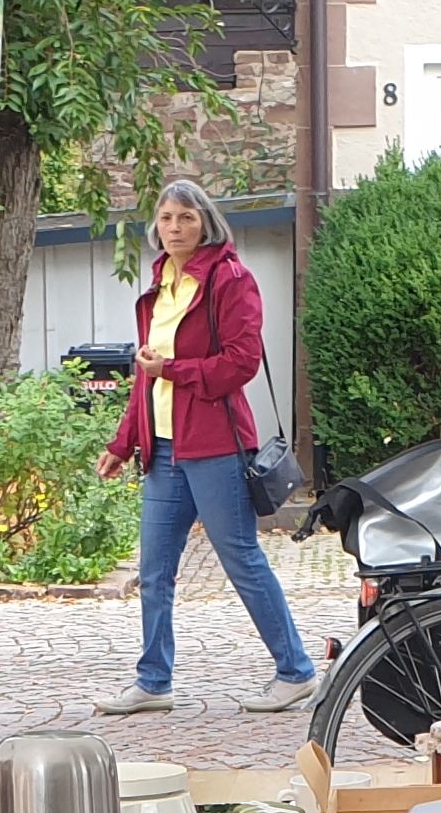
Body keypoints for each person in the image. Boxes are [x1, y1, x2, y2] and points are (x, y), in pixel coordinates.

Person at [95, 178, 317, 719]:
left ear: (206, 222)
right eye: (167, 218)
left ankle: (296, 672)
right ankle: (153, 683)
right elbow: (145, 380)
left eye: (186, 218)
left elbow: (241, 363)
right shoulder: (159, 286)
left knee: (240, 559)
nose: (175, 228)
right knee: (153, 570)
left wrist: (171, 368)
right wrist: (123, 444)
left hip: (217, 445)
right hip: (165, 449)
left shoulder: (229, 279)